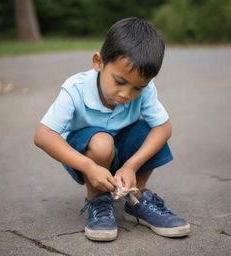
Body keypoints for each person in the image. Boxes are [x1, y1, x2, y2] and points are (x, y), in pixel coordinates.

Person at [34, 17, 190, 241]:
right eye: (119, 82)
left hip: (124, 153)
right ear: (98, 62)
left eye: (137, 87)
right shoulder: (75, 88)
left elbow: (164, 128)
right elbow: (43, 135)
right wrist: (88, 166)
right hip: (88, 151)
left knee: (149, 129)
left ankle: (137, 197)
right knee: (101, 142)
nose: (126, 94)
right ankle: (98, 200)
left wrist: (131, 166)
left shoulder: (145, 89)